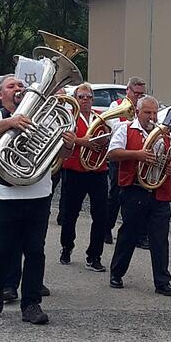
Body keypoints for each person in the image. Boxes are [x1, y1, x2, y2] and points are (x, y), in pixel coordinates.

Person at [0, 74, 74, 325]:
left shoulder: (45, 115)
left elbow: (60, 152)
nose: (18, 88)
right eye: (11, 86)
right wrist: (10, 124)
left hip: (37, 192)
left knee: (35, 251)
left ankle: (31, 303)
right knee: (3, 249)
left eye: (21, 85)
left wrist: (68, 146)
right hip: (3, 194)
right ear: (1, 93)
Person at [106, 95, 171, 296]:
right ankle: (116, 273)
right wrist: (138, 155)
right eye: (147, 113)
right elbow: (112, 153)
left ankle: (162, 281)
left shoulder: (164, 133)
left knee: (160, 238)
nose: (152, 116)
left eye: (154, 112)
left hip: (159, 189)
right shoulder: (125, 129)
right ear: (138, 113)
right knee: (129, 233)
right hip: (134, 188)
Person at [58, 83, 108, 271]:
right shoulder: (69, 117)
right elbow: (63, 138)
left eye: (88, 97)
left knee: (100, 215)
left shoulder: (100, 118)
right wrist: (84, 142)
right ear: (75, 99)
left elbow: (108, 137)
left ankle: (94, 255)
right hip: (74, 170)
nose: (85, 100)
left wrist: (104, 141)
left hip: (98, 171)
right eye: (81, 97)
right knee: (70, 213)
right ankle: (66, 247)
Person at [105, 76, 148, 247]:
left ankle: (137, 234)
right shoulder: (116, 105)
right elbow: (113, 126)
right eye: (136, 93)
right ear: (128, 91)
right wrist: (133, 123)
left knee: (139, 196)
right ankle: (106, 228)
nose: (138, 96)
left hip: (140, 157)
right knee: (115, 195)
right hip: (121, 156)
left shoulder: (144, 108)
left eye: (141, 93)